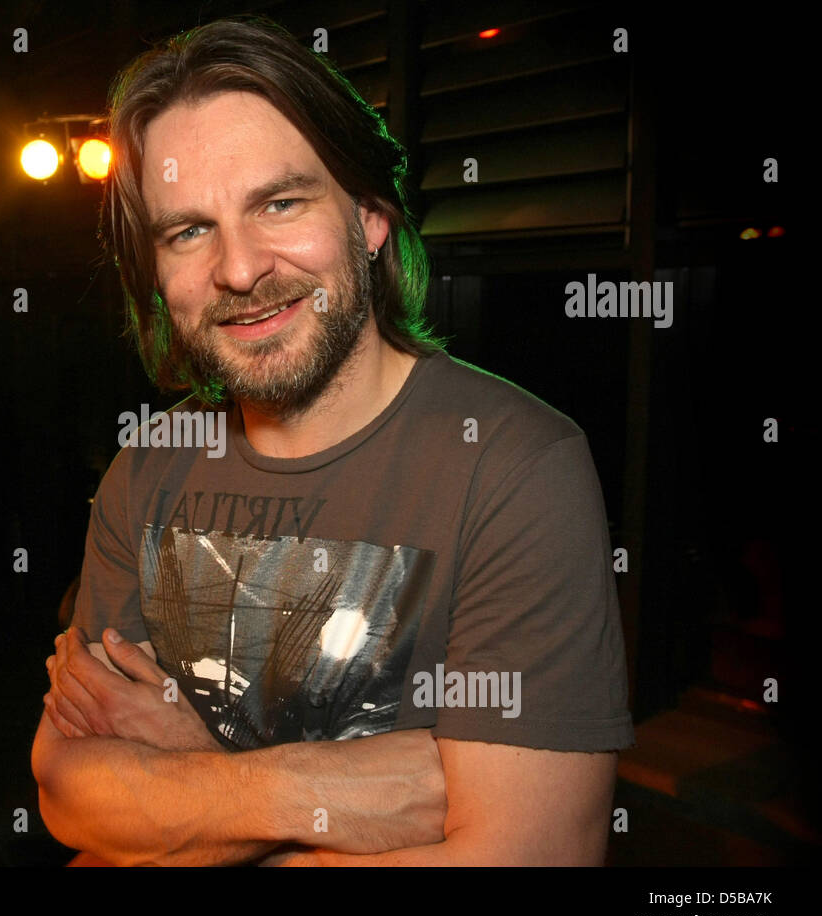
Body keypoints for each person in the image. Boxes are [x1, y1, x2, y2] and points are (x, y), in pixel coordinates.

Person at [31, 15, 633, 866]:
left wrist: (185, 793)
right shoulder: (148, 467)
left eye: (280, 203)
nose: (239, 269)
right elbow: (66, 792)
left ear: (371, 216)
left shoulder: (514, 466)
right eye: (189, 230)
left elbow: (531, 855)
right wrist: (307, 795)